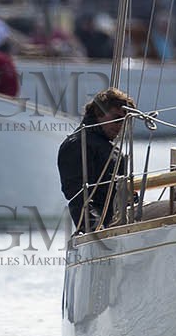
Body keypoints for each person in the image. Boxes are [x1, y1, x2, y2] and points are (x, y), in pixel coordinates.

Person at [57, 87, 138, 231]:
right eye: (117, 119)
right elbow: (77, 196)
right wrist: (95, 230)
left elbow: (127, 194)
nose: (121, 126)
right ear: (99, 113)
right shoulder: (78, 144)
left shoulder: (111, 148)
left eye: (125, 122)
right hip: (105, 227)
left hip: (123, 222)